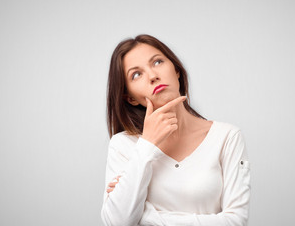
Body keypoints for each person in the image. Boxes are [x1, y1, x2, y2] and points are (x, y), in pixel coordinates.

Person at [101, 34, 251, 226]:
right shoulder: (123, 145)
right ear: (130, 98)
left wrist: (145, 218)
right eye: (136, 74)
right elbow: (117, 222)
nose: (153, 76)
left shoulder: (227, 137)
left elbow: (236, 221)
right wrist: (147, 145)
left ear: (176, 70)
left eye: (157, 62)